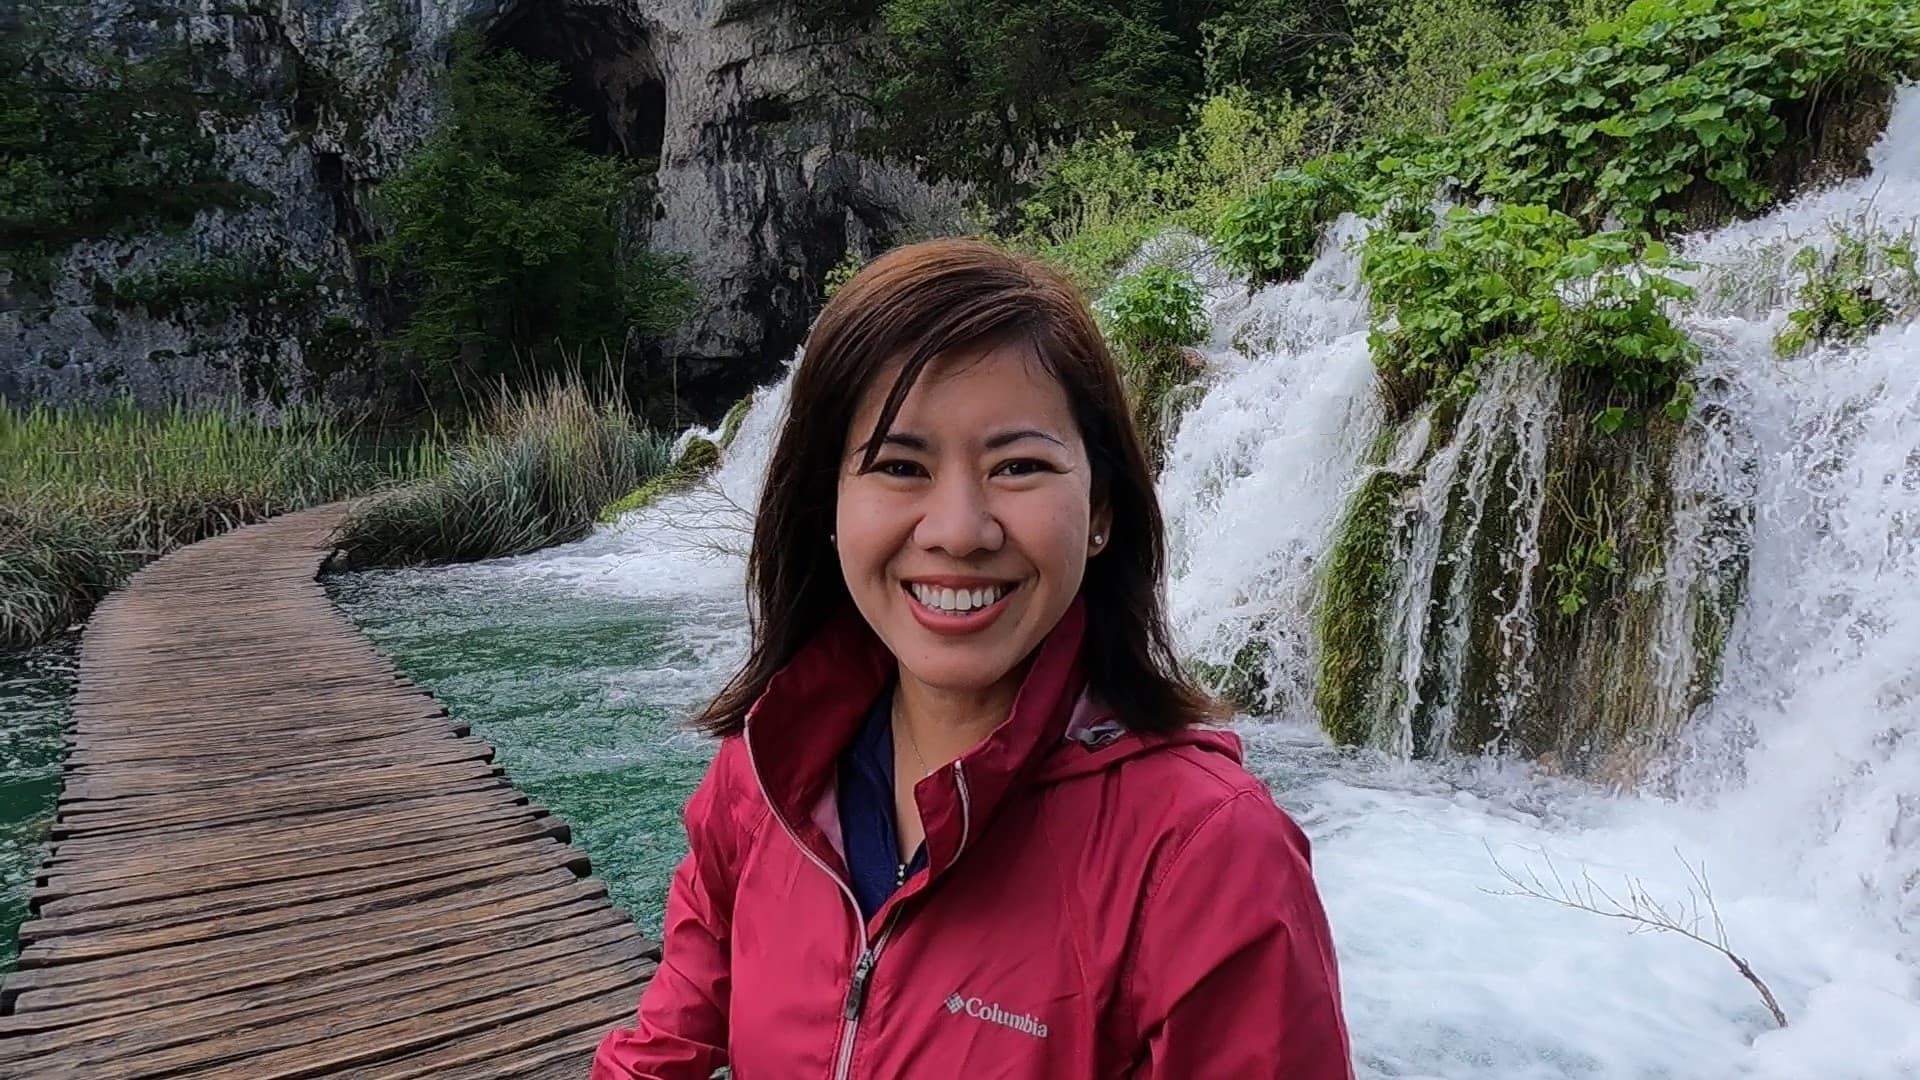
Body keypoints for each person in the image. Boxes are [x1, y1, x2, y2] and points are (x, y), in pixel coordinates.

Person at [591, 238, 1354, 1079]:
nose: (958, 530)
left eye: (1018, 466)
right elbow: (659, 1050)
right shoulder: (767, 777)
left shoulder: (1207, 857)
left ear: (1100, 508)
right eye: (900, 466)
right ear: (828, 505)